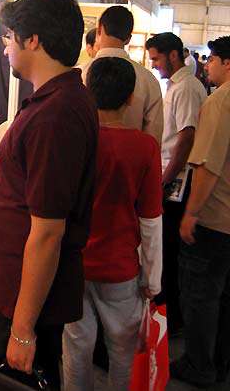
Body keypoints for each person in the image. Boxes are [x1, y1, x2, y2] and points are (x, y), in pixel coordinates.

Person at [0, 0, 97, 391]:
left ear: (32, 40)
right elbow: (37, 168)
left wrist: (21, 330)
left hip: (23, 296)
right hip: (16, 288)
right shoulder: (58, 101)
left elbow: (48, 233)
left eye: (9, 38)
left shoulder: (55, 116)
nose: (6, 50)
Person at [62, 57, 163, 391]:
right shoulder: (145, 147)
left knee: (76, 347)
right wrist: (153, 278)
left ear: (88, 92)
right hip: (121, 268)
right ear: (131, 98)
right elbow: (150, 220)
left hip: (75, 263)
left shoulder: (75, 140)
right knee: (123, 352)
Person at [171, 36, 230, 388]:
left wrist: (191, 213)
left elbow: (208, 164)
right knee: (223, 297)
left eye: (212, 59)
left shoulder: (221, 101)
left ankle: (198, 364)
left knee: (201, 295)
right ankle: (219, 362)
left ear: (227, 63)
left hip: (215, 216)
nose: (207, 65)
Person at [146, 32, 206, 333]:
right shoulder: (177, 86)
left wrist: (164, 181)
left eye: (156, 58)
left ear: (173, 55)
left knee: (169, 252)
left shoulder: (186, 88)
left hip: (177, 182)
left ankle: (171, 319)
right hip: (171, 178)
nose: (154, 64)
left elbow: (186, 137)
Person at [92, 5, 163, 144]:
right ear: (128, 39)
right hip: (134, 156)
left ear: (99, 29)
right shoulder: (148, 80)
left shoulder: (80, 74)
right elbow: (154, 136)